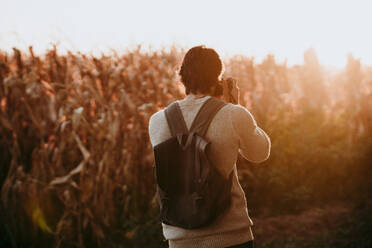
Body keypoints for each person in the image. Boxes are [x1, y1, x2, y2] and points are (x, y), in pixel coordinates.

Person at [148, 45, 271, 248]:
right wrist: (235, 105)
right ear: (218, 78)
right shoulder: (234, 114)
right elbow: (260, 153)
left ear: (182, 77)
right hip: (230, 237)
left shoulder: (157, 121)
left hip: (180, 239)